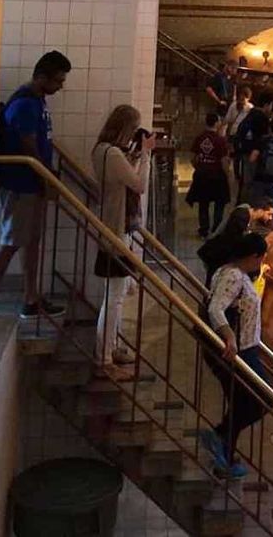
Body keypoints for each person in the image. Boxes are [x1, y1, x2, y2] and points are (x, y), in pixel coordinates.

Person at [0, 50, 72, 317]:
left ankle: (31, 297)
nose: (60, 86)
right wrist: (48, 176)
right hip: (20, 183)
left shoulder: (38, 101)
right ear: (42, 76)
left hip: (33, 183)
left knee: (32, 241)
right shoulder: (24, 104)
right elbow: (28, 145)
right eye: (58, 80)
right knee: (11, 241)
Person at [90, 104, 155, 380]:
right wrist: (147, 155)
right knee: (114, 299)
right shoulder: (113, 154)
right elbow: (138, 185)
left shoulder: (102, 150)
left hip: (112, 228)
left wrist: (136, 155)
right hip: (116, 231)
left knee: (119, 293)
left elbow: (125, 177)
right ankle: (104, 359)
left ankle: (112, 347)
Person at [202, 233, 270, 478]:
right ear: (253, 256)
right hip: (239, 351)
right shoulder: (233, 275)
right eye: (261, 258)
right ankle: (220, 438)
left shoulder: (229, 271)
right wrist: (229, 335)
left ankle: (225, 455)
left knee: (243, 402)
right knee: (261, 399)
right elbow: (216, 308)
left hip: (244, 348)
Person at [197, 199, 273, 286]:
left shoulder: (246, 216)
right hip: (218, 256)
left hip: (221, 256)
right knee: (212, 284)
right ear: (260, 210)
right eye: (269, 214)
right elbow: (232, 241)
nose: (270, 218)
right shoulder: (241, 217)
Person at [190, 110, 231, 238]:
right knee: (219, 203)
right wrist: (228, 175)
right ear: (217, 123)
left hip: (202, 175)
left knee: (203, 203)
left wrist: (200, 166)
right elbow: (224, 161)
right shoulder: (220, 140)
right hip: (217, 176)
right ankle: (216, 230)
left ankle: (203, 229)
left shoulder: (199, 138)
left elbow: (193, 158)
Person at [234, 92, 273, 201]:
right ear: (267, 104)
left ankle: (241, 203)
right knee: (251, 181)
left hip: (245, 151)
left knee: (246, 180)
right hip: (254, 153)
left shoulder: (251, 113)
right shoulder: (262, 117)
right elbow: (264, 138)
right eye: (271, 105)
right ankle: (248, 205)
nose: (271, 108)